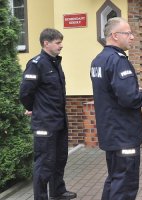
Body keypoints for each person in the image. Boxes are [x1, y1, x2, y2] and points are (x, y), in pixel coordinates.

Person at [90, 17, 142, 200]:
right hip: (123, 133)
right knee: (125, 184)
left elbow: (112, 92)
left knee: (114, 179)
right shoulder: (117, 61)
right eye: (128, 33)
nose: (132, 37)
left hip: (110, 131)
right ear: (115, 35)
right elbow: (129, 98)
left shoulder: (98, 60)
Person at [19, 28, 76, 200]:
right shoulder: (36, 64)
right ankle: (41, 197)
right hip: (45, 123)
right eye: (58, 43)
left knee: (60, 159)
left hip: (59, 121)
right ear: (46, 43)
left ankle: (58, 191)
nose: (61, 46)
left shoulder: (54, 63)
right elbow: (25, 93)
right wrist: (34, 108)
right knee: (44, 163)